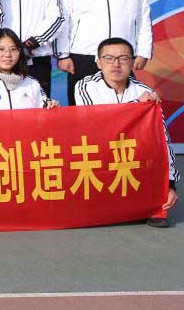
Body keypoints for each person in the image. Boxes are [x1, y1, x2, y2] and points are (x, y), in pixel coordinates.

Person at [75, 37, 178, 227]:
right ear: (98, 62)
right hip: (99, 155)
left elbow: (162, 139)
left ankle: (150, 205)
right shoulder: (85, 85)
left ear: (132, 63)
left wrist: (170, 184)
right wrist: (137, 105)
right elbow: (96, 122)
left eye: (123, 58)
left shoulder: (145, 91)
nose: (116, 64)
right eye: (108, 58)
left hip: (132, 156)